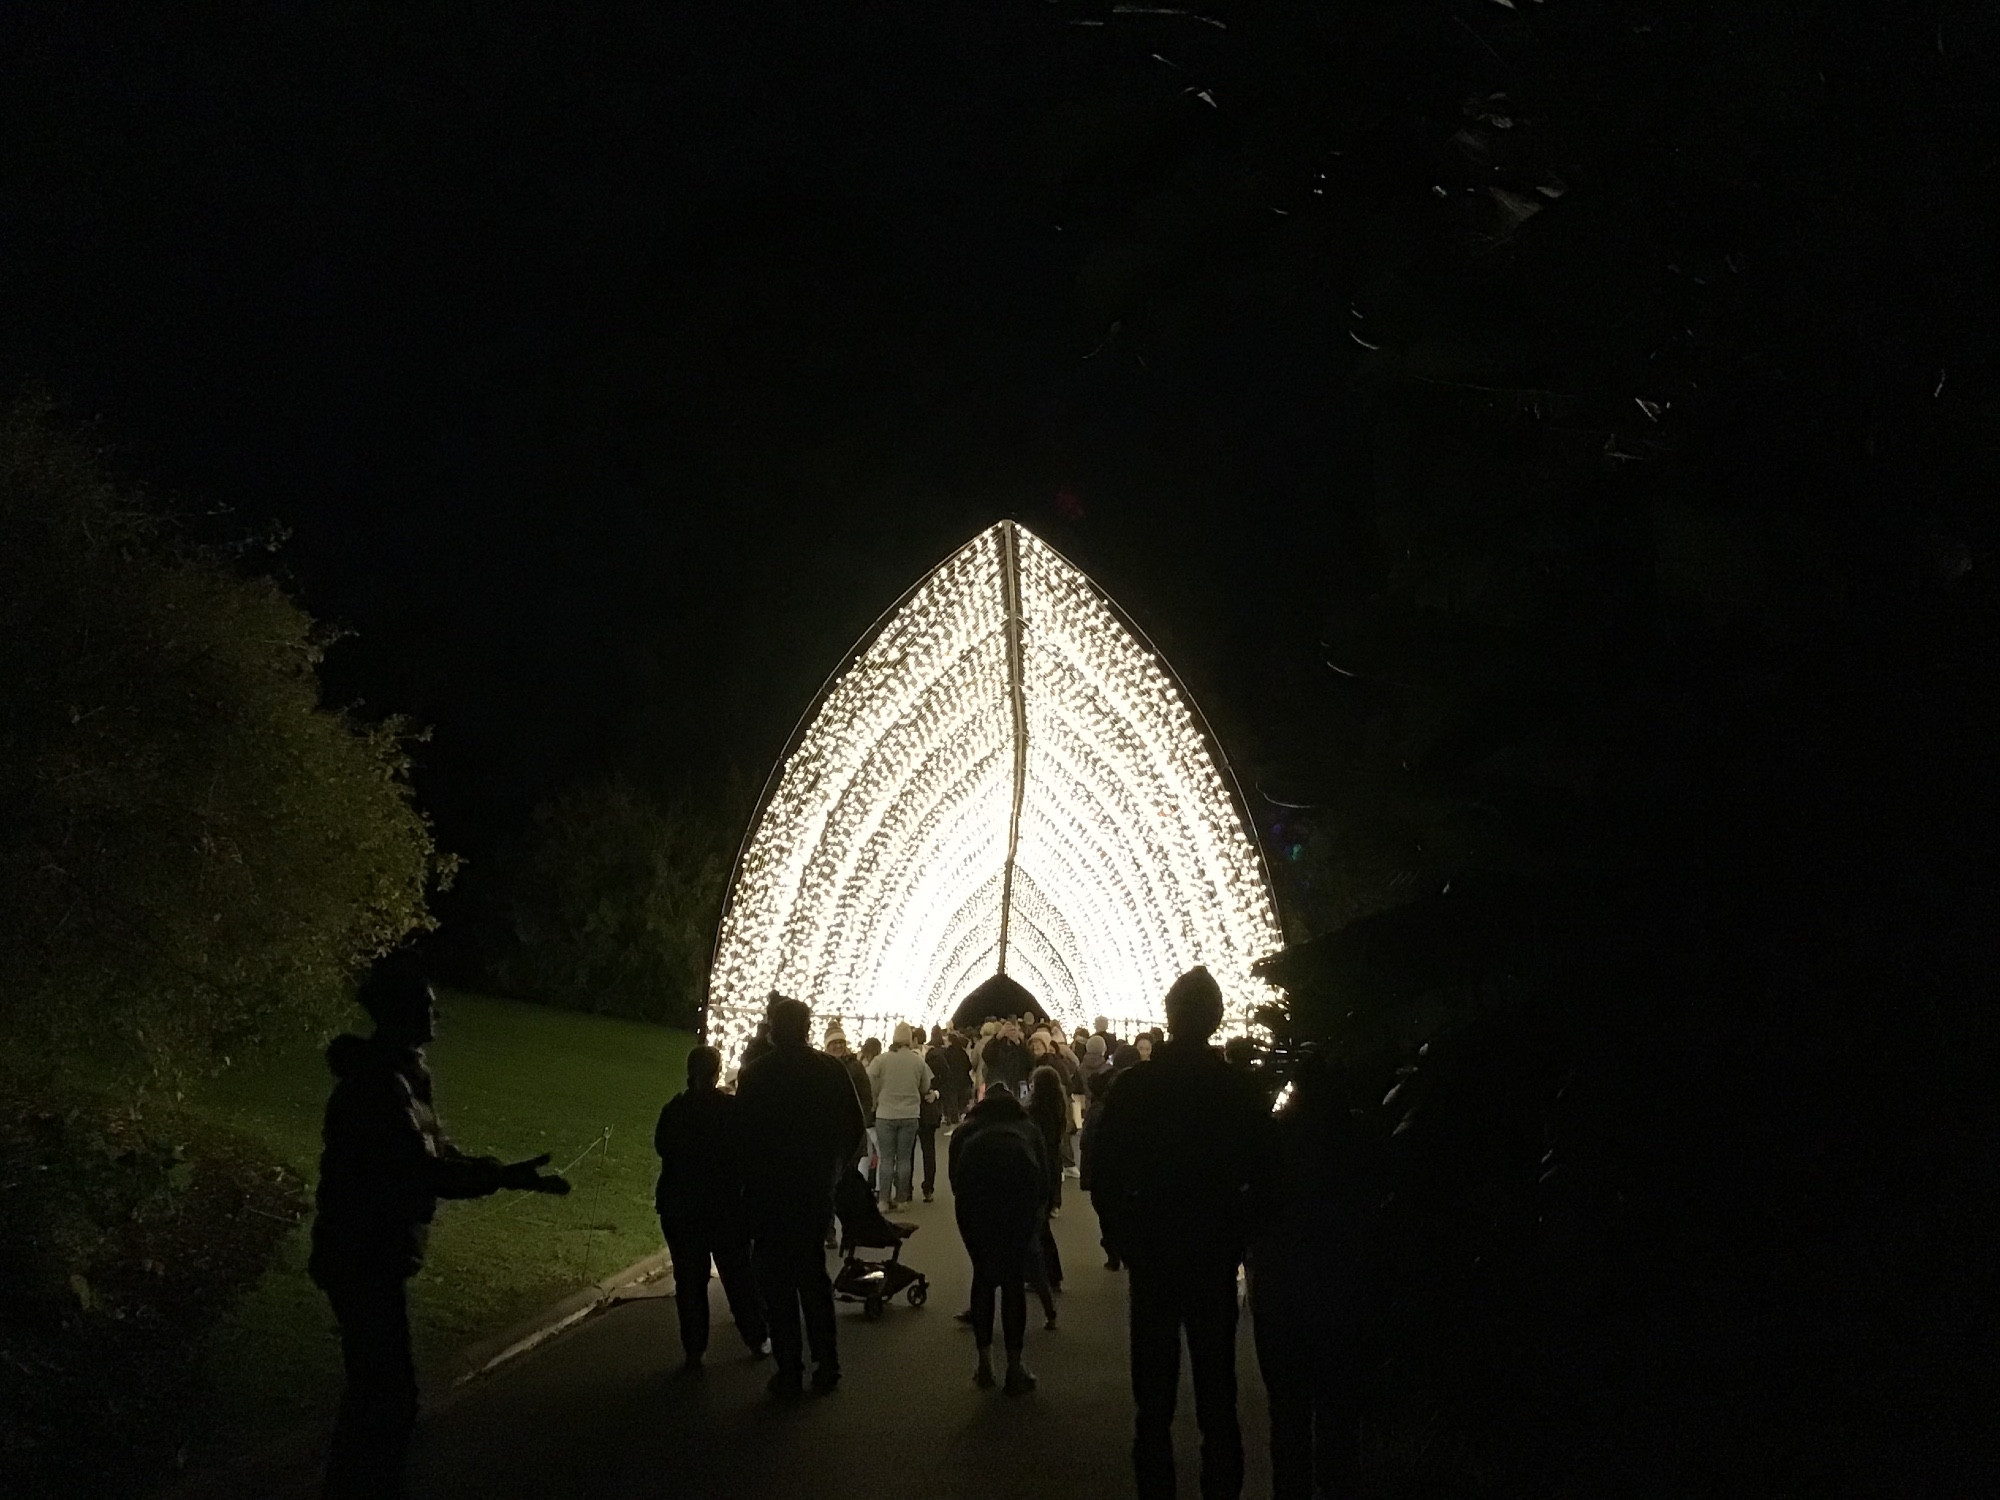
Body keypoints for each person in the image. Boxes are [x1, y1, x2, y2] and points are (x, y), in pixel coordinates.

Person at [309, 957, 569, 1499]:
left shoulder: (403, 1078)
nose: (435, 1012)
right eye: (425, 1004)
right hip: (362, 1252)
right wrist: (499, 1179)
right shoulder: (380, 1085)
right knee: (387, 1397)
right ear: (399, 1011)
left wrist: (505, 1174)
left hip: (377, 1251)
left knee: (378, 1394)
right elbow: (418, 1168)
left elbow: (436, 1154)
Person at [1091, 966, 1278, 1500]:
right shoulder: (1235, 1089)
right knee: (1218, 1393)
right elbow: (1266, 1174)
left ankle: (1156, 1486)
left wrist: (1121, 1234)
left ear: (1168, 1018)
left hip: (1152, 1252)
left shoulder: (1137, 1087)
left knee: (1153, 1397)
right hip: (1213, 1253)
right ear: (1216, 1020)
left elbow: (1104, 1170)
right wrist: (1240, 1234)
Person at [1251, 1050, 1377, 1500]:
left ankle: (1293, 1488)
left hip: (1283, 1292)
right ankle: (1338, 1482)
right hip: (1341, 1290)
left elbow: (1256, 1211)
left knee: (1287, 1412)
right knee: (1339, 1406)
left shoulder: (1277, 1140)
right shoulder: (1359, 1142)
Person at [737, 995, 867, 1397]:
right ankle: (826, 1363)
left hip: (769, 1189)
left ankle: (789, 1366)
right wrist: (834, 1169)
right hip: (812, 1187)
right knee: (812, 1276)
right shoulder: (830, 1071)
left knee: (776, 1284)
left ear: (774, 1028)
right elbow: (854, 1127)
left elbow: (742, 1135)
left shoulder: (757, 1075)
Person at [654, 1045, 769, 1373]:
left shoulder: (675, 1110)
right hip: (724, 1205)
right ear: (717, 1072)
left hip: (681, 1204)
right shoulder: (729, 1111)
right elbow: (745, 1153)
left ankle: (694, 1347)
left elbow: (664, 1148)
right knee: (737, 1275)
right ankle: (756, 1336)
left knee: (689, 1280)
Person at [950, 1079, 1052, 1395]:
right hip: (1018, 1207)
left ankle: (984, 1364)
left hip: (975, 1208)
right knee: (1012, 1283)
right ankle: (1014, 1366)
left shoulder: (966, 1130)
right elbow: (1044, 1180)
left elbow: (956, 1180)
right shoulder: (1028, 1129)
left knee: (983, 1277)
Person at [866, 1022, 935, 1211]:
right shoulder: (918, 1061)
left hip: (885, 1114)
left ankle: (883, 1201)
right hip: (910, 1114)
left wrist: (875, 1098)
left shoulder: (881, 1060)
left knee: (886, 1158)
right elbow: (925, 1087)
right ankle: (902, 1199)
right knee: (904, 1158)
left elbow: (869, 1079)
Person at [1026, 1063, 1069, 1293]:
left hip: (1038, 1167)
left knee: (1037, 1227)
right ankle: (1049, 1274)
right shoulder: (1058, 1108)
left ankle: (1047, 1274)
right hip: (1052, 1165)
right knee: (1040, 1225)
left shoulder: (1034, 1112)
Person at [928, 1028, 973, 1130]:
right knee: (962, 1102)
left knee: (952, 1101)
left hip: (952, 1080)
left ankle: (952, 1120)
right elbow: (969, 1066)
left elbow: (943, 1067)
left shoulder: (946, 1053)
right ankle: (962, 1119)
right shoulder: (962, 1052)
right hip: (964, 1080)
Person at [981, 1018, 1030, 1099]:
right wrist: (997, 1037)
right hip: (997, 1088)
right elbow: (986, 1056)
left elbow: (1029, 1062)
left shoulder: (1022, 1047)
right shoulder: (997, 1045)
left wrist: (1018, 1043)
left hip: (1016, 1089)